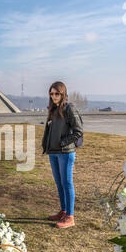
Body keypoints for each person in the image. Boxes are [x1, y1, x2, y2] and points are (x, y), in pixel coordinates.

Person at [42, 81, 83, 228]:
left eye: (57, 93)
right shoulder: (53, 109)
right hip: (53, 152)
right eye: (51, 94)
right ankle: (64, 211)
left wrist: (63, 143)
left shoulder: (69, 108)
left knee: (67, 183)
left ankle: (70, 217)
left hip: (65, 153)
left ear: (63, 93)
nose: (54, 96)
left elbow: (78, 131)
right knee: (59, 184)